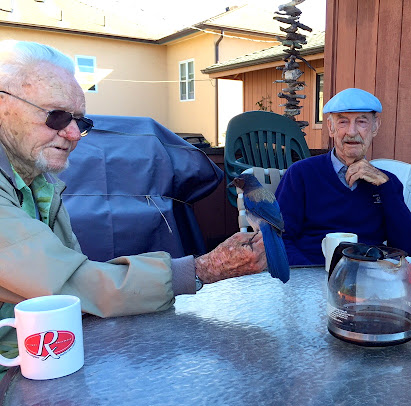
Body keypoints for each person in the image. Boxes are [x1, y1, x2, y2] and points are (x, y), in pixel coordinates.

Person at [0, 40, 267, 321]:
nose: (74, 134)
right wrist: (202, 269)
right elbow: (68, 285)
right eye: (56, 116)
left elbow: (70, 280)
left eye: (80, 122)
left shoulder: (41, 184)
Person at [275, 87, 411, 265]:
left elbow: (407, 246)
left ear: (375, 127)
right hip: (312, 270)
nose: (351, 132)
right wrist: (308, 276)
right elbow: (279, 239)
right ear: (331, 127)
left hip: (369, 275)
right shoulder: (301, 174)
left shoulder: (387, 183)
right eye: (343, 122)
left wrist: (385, 188)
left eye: (361, 122)